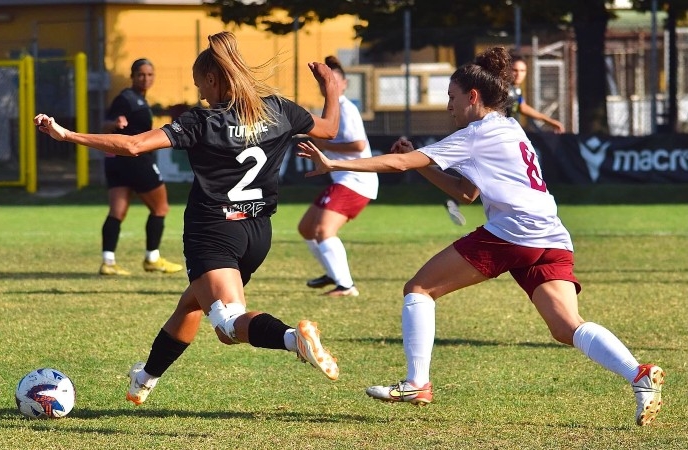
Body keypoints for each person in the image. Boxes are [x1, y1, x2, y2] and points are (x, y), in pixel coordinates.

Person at [297, 46, 664, 426]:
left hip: (514, 231)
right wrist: (423, 163)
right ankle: (637, 374)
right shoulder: (510, 127)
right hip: (550, 234)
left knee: (419, 289)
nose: (448, 107)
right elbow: (466, 193)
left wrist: (333, 162)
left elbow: (402, 163)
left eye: (452, 98)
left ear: (473, 97)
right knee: (566, 327)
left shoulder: (477, 132)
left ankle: (417, 382)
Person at [34, 31, 342, 405]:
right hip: (257, 233)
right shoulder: (278, 109)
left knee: (228, 326)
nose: (200, 94)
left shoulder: (202, 121)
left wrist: (67, 134)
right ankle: (145, 378)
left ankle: (294, 338)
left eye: (200, 85)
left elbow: (133, 145)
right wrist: (331, 89)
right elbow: (329, 129)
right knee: (192, 304)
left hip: (213, 232)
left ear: (213, 79)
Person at [298, 55, 378, 297]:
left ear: (343, 84)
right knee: (306, 228)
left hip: (356, 180)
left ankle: (345, 286)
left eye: (332, 81)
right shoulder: (331, 109)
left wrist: (325, 148)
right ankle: (334, 274)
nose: (326, 86)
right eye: (323, 82)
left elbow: (358, 144)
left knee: (323, 230)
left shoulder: (346, 108)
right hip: (343, 179)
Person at [99, 58, 182, 276]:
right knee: (161, 208)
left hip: (116, 161)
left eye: (149, 74)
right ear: (132, 76)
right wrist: (115, 125)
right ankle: (152, 258)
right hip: (135, 160)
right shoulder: (127, 98)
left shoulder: (138, 99)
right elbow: (105, 125)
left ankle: (108, 261)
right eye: (141, 75)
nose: (145, 78)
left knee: (117, 212)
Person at [508, 54, 565, 133]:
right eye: (515, 70)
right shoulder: (502, 88)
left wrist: (550, 121)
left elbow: (523, 107)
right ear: (507, 70)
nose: (519, 74)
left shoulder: (516, 90)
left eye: (522, 70)